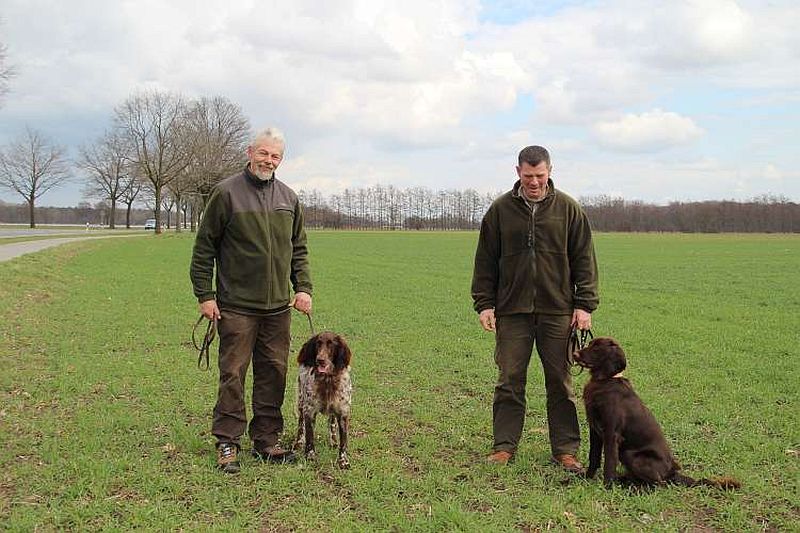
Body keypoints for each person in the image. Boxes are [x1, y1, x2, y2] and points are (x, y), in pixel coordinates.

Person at [190, 127, 312, 474]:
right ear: (249, 152)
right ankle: (227, 441)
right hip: (237, 305)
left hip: (278, 308)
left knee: (274, 372)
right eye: (263, 153)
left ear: (280, 160)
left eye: (275, 156)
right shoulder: (226, 193)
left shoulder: (288, 198)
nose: (268, 160)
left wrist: (303, 288)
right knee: (233, 373)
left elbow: (299, 249)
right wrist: (205, 295)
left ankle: (266, 440)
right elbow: (204, 248)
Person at [471, 145, 599, 472]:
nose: (534, 182)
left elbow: (584, 260)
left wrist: (584, 304)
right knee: (509, 380)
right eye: (528, 175)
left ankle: (565, 450)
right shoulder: (500, 210)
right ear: (518, 172)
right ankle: (504, 447)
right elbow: (485, 261)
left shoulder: (568, 209)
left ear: (549, 171)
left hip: (558, 310)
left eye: (540, 175)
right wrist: (485, 304)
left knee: (560, 382)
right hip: (512, 311)